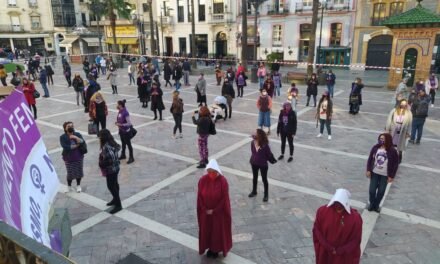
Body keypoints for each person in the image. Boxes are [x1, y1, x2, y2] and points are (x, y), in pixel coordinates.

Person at [313, 188, 362, 263]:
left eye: (341, 205)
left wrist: (341, 250)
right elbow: (317, 230)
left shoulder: (355, 218)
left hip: (343, 256)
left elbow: (356, 239)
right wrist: (328, 247)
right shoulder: (322, 211)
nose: (338, 207)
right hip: (325, 252)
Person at [197, 159, 232, 259]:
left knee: (217, 232)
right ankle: (209, 248)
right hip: (206, 213)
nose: (211, 174)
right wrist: (204, 209)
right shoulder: (203, 180)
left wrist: (214, 210)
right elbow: (199, 196)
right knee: (207, 231)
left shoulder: (223, 181)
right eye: (209, 172)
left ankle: (216, 249)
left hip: (218, 214)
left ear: (217, 171)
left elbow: (224, 199)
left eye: (213, 172)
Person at [366, 133, 399, 212]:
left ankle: (376, 205)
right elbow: (370, 159)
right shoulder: (375, 148)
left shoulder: (392, 151)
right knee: (372, 190)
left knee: (381, 191)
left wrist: (391, 176)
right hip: (375, 173)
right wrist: (368, 170)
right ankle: (372, 203)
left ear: (387, 140)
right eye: (380, 139)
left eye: (383, 139)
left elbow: (395, 164)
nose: (381, 140)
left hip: (385, 175)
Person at [248, 129, 277, 202]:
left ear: (259, 135)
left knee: (264, 179)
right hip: (254, 163)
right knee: (255, 177)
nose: (254, 134)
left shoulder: (265, 145)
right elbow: (253, 152)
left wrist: (263, 158)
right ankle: (254, 191)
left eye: (256, 133)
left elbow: (269, 154)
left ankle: (266, 194)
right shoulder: (252, 142)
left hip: (263, 164)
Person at [98, 129, 123, 214]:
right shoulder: (112, 141)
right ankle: (115, 199)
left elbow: (111, 158)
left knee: (111, 186)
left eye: (100, 136)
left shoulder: (106, 146)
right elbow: (118, 147)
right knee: (115, 184)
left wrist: (102, 163)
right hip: (116, 167)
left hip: (111, 169)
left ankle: (118, 204)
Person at [60, 121, 85, 193]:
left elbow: (82, 142)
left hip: (78, 156)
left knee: (79, 172)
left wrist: (75, 137)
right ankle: (69, 186)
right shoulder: (62, 137)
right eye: (68, 126)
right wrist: (76, 145)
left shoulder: (77, 134)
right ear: (65, 128)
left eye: (71, 126)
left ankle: (78, 185)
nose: (70, 127)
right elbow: (65, 147)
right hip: (68, 158)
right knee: (70, 173)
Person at [116, 99, 135, 164]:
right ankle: (123, 155)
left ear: (120, 105)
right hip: (121, 131)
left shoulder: (125, 112)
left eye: (117, 104)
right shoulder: (120, 111)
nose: (117, 105)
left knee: (128, 144)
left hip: (126, 131)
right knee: (123, 143)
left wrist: (121, 124)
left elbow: (129, 123)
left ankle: (131, 157)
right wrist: (117, 123)